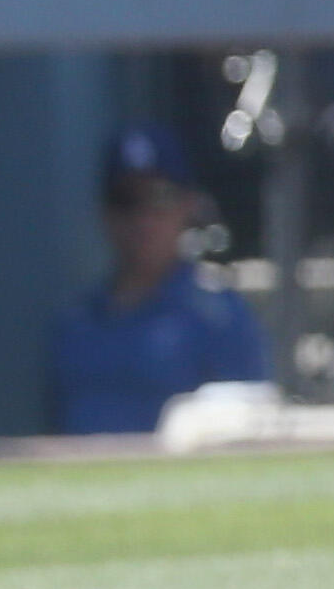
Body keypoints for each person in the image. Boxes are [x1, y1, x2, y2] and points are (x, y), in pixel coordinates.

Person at [47, 125, 271, 436]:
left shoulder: (220, 316)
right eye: (126, 200)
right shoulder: (74, 324)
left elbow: (252, 434)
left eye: (160, 196)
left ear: (188, 205)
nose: (142, 218)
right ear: (105, 211)